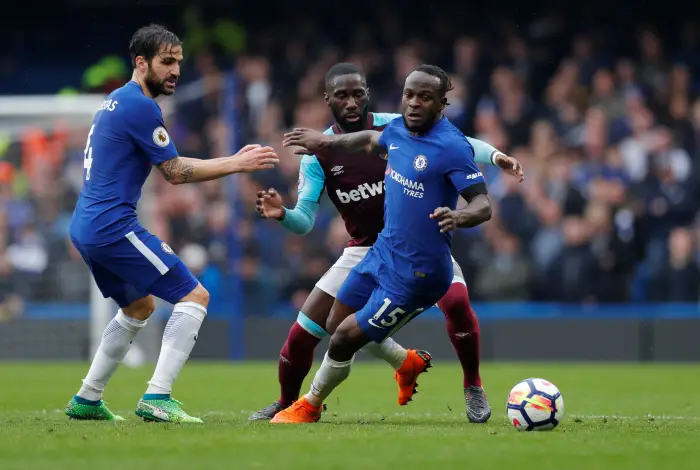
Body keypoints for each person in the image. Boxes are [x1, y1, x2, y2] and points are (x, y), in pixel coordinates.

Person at [251, 63, 523, 423]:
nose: (351, 102)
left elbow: (455, 143)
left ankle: (473, 385)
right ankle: (290, 401)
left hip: (419, 247)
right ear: (327, 99)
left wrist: (494, 156)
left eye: (358, 94)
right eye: (342, 96)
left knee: (456, 300)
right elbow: (304, 222)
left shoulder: (396, 122)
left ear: (368, 94)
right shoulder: (319, 155)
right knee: (307, 332)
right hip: (367, 248)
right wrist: (283, 214)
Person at [64, 24, 278, 423]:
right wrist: (237, 163)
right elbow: (175, 171)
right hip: (112, 225)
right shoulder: (140, 106)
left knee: (139, 306)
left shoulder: (115, 101)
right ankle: (157, 397)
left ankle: (87, 398)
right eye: (167, 62)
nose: (176, 70)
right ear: (141, 62)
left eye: (179, 61)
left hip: (87, 224)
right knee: (194, 296)